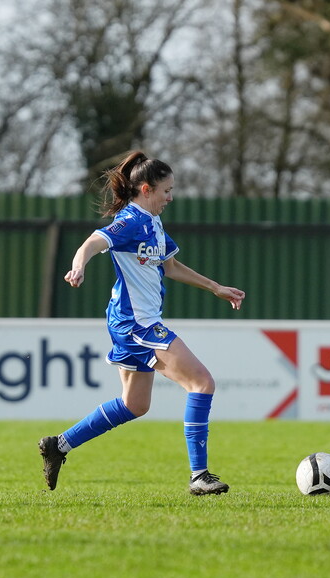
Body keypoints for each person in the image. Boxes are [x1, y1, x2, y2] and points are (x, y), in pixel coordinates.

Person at [38, 151, 246, 495]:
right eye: (167, 190)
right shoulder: (131, 221)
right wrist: (79, 266)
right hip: (137, 323)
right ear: (146, 189)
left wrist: (215, 288)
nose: (171, 197)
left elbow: (171, 267)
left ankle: (58, 445)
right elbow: (93, 241)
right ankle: (199, 476)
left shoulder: (153, 223)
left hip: (135, 322)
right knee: (202, 383)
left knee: (135, 405)